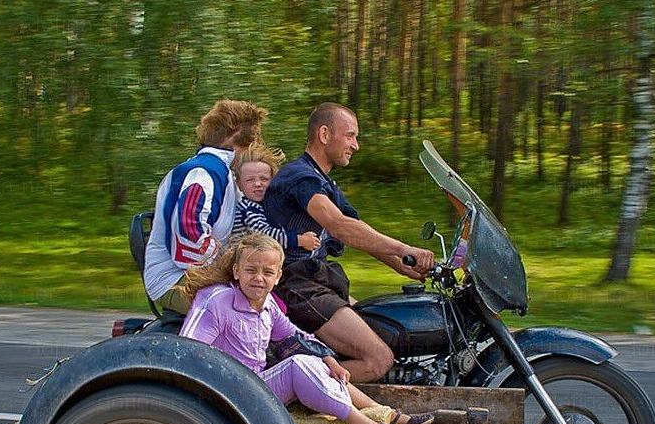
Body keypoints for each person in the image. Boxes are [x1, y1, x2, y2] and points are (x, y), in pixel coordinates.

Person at [178, 233, 434, 424]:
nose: (259, 278)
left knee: (315, 360)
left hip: (255, 387)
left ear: (278, 276)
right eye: (250, 270)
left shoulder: (267, 305)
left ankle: (384, 414)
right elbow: (186, 352)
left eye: (267, 272)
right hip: (224, 395)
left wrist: (329, 359)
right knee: (298, 365)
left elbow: (297, 337)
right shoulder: (215, 300)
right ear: (236, 271)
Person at [263, 102, 436, 383]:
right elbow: (338, 225)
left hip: (317, 280)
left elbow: (357, 229)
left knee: (385, 326)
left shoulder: (324, 182)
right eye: (350, 136)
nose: (356, 145)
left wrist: (403, 265)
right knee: (378, 359)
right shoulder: (300, 177)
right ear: (324, 134)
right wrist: (404, 249)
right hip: (295, 285)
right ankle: (285, 389)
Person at [143, 98, 268, 315]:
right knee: (247, 310)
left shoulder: (220, 172)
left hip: (187, 274)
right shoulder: (204, 172)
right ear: (241, 139)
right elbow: (189, 232)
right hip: (175, 280)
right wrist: (230, 261)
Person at [231, 142, 322, 254]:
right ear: (239, 185)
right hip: (244, 261)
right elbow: (265, 235)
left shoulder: (267, 206)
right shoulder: (247, 208)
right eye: (250, 180)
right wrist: (300, 240)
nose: (258, 184)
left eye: (264, 179)